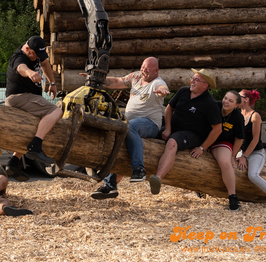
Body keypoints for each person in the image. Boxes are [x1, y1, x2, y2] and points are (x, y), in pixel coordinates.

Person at [91, 57, 170, 200]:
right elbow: (117, 82)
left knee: (129, 126)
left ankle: (139, 170)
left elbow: (162, 87)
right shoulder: (136, 77)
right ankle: (110, 185)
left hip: (150, 124)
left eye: (148, 69)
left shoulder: (157, 83)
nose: (144, 71)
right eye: (143, 67)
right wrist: (96, 78)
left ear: (156, 71)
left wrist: (163, 91)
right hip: (129, 124)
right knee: (119, 142)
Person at [149, 68, 222, 195]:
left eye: (196, 80)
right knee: (148, 132)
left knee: (172, 142)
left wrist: (202, 148)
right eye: (192, 78)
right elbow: (169, 109)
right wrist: (168, 128)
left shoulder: (210, 104)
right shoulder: (183, 91)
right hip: (173, 128)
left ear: (205, 85)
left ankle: (158, 178)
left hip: (192, 134)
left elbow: (217, 129)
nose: (192, 81)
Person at [4, 36, 62, 181]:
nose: (37, 57)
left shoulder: (35, 53)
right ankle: (36, 146)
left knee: (36, 127)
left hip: (25, 97)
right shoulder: (19, 57)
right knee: (56, 111)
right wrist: (30, 73)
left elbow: (45, 63)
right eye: (35, 54)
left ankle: (13, 162)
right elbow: (20, 68)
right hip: (19, 98)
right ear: (27, 49)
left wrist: (52, 83)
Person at [208, 90, 245, 211]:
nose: (226, 102)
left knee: (225, 162)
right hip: (204, 140)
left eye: (230, 100)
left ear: (237, 105)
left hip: (222, 143)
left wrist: (232, 156)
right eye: (225, 98)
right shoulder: (214, 107)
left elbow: (239, 139)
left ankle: (232, 196)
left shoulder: (238, 117)